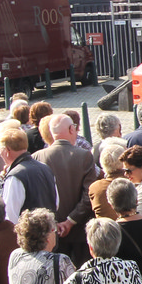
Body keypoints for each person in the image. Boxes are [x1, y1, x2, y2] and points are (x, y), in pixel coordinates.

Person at [34, 113, 98, 264]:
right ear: (71, 129)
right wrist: (70, 221)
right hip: (79, 232)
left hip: (50, 233)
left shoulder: (37, 157)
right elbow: (89, 194)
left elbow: (38, 195)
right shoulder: (84, 156)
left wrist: (54, 223)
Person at [0, 124, 56, 224]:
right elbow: (56, 203)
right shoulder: (46, 168)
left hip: (28, 231)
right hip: (49, 228)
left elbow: (10, 215)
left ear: (7, 150)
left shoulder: (16, 176)